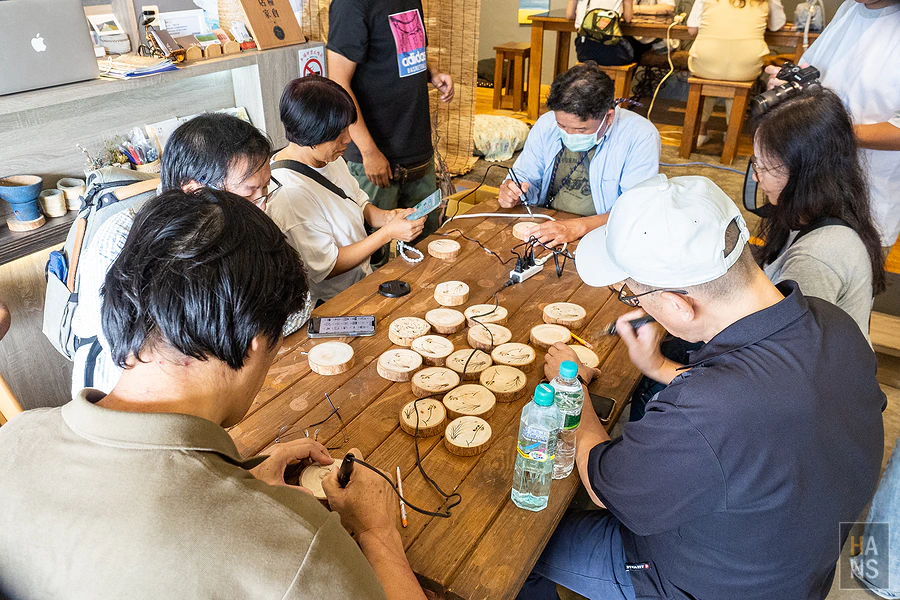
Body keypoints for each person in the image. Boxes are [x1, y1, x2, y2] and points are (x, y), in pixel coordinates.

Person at [0, 189, 427, 600]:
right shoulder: (296, 548)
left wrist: (236, 480)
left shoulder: (14, 439)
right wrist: (378, 532)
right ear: (254, 343)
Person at [519, 174, 885, 600]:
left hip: (703, 583)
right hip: (795, 564)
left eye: (632, 296)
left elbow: (605, 484)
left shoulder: (705, 413)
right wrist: (658, 366)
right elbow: (767, 405)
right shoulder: (831, 323)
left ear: (678, 304)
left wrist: (572, 391)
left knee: (518, 550)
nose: (635, 305)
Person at [70, 113, 295, 398]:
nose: (262, 207)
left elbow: (290, 307)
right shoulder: (123, 240)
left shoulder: (245, 216)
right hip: (128, 395)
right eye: (251, 192)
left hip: (217, 378)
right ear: (195, 190)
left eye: (266, 189)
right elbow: (139, 354)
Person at [269, 76, 426, 305]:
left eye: (347, 128)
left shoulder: (328, 158)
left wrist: (386, 218)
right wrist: (387, 234)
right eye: (338, 133)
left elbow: (357, 202)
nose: (348, 139)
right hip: (334, 303)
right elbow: (327, 265)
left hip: (361, 283)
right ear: (313, 136)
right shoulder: (290, 195)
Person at [751, 87, 885, 338]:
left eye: (766, 167)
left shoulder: (816, 257)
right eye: (756, 162)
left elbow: (788, 357)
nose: (757, 177)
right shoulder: (820, 211)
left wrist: (659, 366)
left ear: (805, 174)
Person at [766, 0, 900, 247]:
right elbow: (813, 69)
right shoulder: (850, 8)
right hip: (808, 178)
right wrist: (788, 86)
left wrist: (830, 129)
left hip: (867, 195)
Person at [326, 0, 454, 246]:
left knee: (427, 248)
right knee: (374, 258)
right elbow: (338, 83)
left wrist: (433, 73)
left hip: (418, 154)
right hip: (374, 160)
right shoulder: (349, 5)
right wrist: (368, 151)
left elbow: (403, 52)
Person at [498, 62, 660, 246]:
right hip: (548, 222)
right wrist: (513, 192)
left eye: (581, 130)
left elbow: (636, 210)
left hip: (605, 233)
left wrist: (577, 227)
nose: (569, 134)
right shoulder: (547, 124)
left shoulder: (639, 136)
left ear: (608, 117)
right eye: (562, 126)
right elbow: (524, 176)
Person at [687, 0, 785, 145]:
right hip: (746, 65)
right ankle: (730, 135)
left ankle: (700, 131)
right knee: (738, 76)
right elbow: (776, 25)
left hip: (706, 61)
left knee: (707, 73)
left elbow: (692, 30)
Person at [567, 0, 636, 66]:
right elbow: (628, 18)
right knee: (634, 51)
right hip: (612, 51)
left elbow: (570, 15)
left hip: (584, 51)